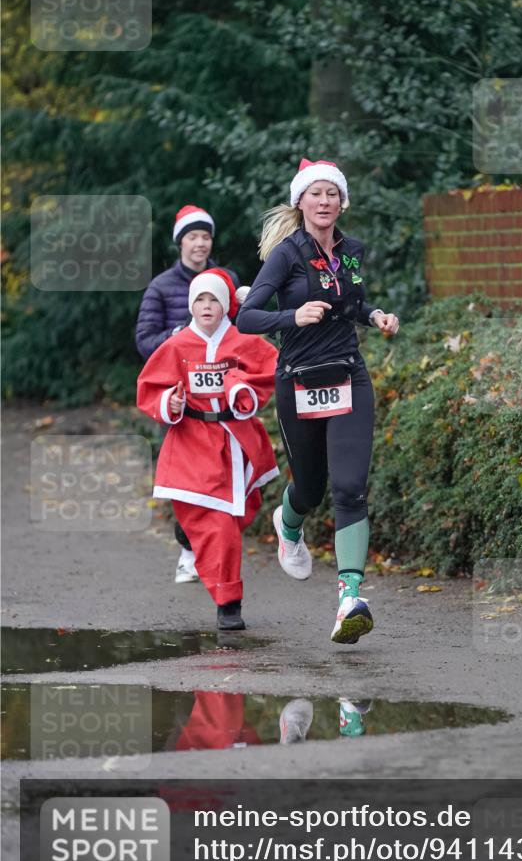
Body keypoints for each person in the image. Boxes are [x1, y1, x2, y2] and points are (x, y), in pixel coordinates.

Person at [237, 158, 399, 645]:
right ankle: (288, 523)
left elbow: (348, 302)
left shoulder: (351, 251)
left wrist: (375, 316)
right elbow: (247, 318)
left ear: (342, 202)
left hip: (349, 375)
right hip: (299, 380)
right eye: (316, 194)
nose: (325, 201)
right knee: (310, 488)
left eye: (332, 194)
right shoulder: (285, 255)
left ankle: (350, 597)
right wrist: (292, 315)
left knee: (350, 488)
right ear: (300, 202)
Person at [137, 269, 279, 640]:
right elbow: (150, 388)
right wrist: (171, 400)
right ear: (190, 305)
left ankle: (189, 533)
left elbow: (272, 370)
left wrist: (241, 388)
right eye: (199, 299)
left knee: (240, 515)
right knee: (220, 526)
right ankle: (228, 604)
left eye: (213, 299)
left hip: (237, 440)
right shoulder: (176, 345)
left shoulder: (243, 340)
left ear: (225, 305)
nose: (206, 306)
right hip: (191, 441)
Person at [135, 205, 246, 584]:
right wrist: (179, 336)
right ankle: (187, 549)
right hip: (180, 395)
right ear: (180, 241)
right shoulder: (162, 286)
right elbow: (144, 340)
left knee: (224, 473)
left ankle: (219, 547)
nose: (200, 244)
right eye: (192, 237)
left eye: (205, 237)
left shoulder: (226, 279)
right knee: (186, 479)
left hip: (224, 395)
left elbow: (242, 331)